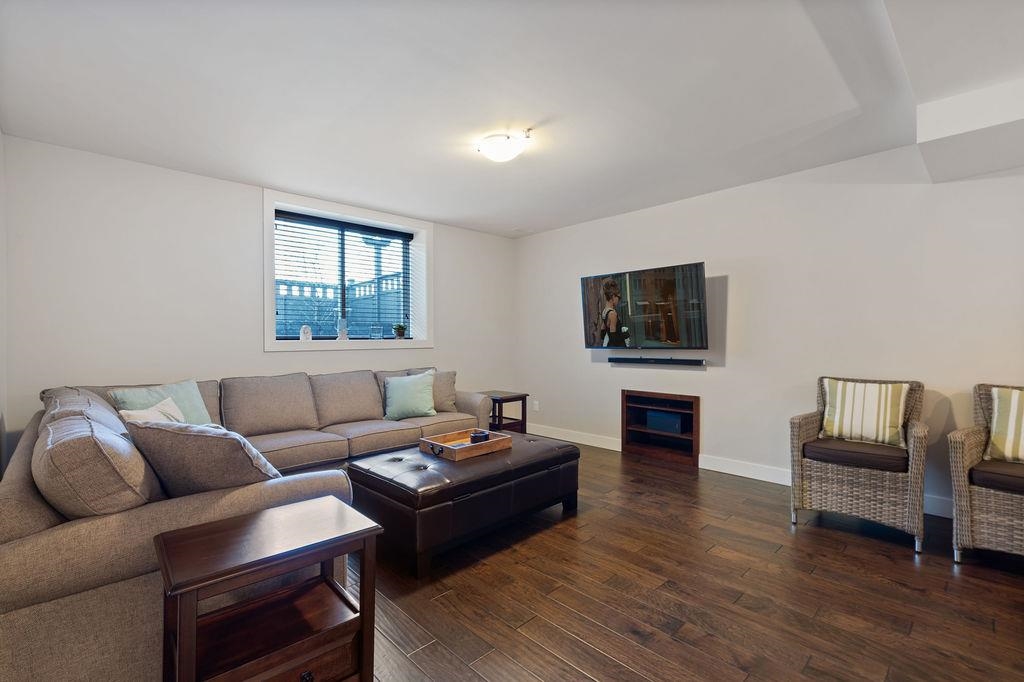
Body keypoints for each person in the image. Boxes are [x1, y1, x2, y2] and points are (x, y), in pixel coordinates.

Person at [598, 278, 630, 347]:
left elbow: (602, 335)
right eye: (619, 297)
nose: (619, 300)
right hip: (618, 350)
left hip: (611, 349)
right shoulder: (612, 314)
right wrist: (625, 335)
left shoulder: (604, 311)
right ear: (613, 296)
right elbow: (613, 339)